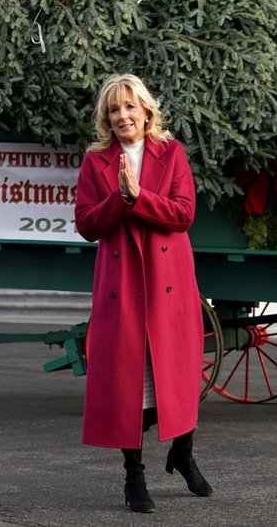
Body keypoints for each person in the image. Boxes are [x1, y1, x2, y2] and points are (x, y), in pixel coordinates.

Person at [75, 73, 213, 513]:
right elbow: (86, 225)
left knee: (179, 372)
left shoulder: (171, 153)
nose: (122, 116)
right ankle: (134, 477)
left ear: (146, 111)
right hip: (122, 286)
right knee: (127, 383)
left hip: (167, 278)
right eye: (114, 110)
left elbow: (184, 214)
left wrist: (139, 198)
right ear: (106, 118)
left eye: (130, 107)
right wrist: (122, 198)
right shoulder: (95, 160)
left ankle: (183, 454)